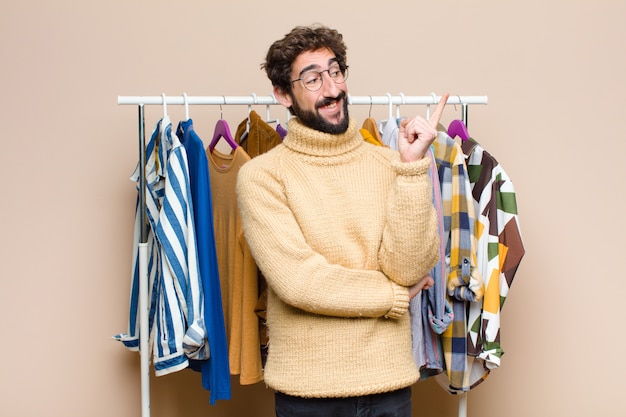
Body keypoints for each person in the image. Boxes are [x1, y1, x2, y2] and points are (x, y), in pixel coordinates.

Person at [236, 24, 449, 417]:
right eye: (313, 78)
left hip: (391, 387)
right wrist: (392, 296)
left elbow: (408, 267)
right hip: (308, 396)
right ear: (283, 94)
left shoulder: (392, 165)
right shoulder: (263, 176)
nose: (332, 90)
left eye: (335, 72)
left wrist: (411, 168)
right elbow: (299, 280)